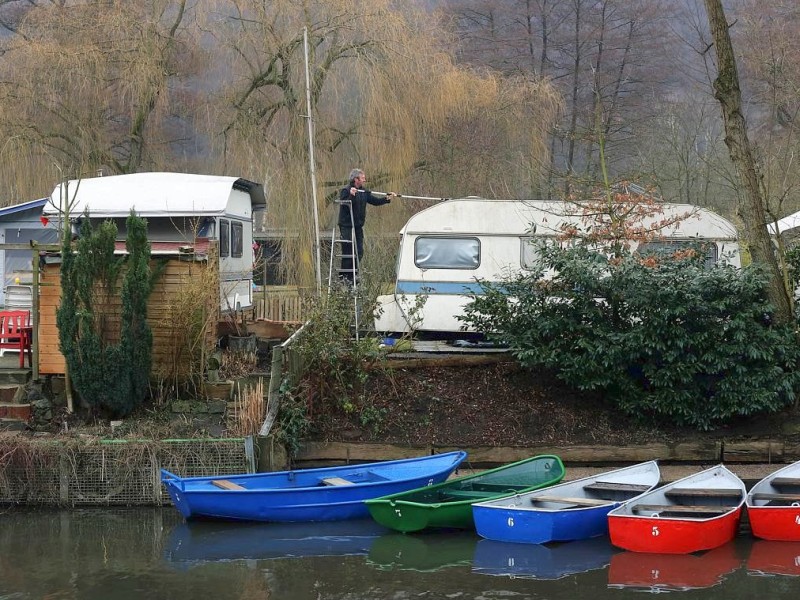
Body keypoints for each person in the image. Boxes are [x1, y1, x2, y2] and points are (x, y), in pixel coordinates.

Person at [338, 168, 395, 284]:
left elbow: (375, 201)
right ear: (356, 179)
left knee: (359, 251)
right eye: (363, 178)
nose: (365, 180)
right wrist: (352, 195)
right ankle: (345, 277)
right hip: (347, 225)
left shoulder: (364, 192)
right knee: (348, 251)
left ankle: (354, 274)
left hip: (358, 226)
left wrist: (386, 199)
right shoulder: (345, 190)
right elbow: (345, 204)